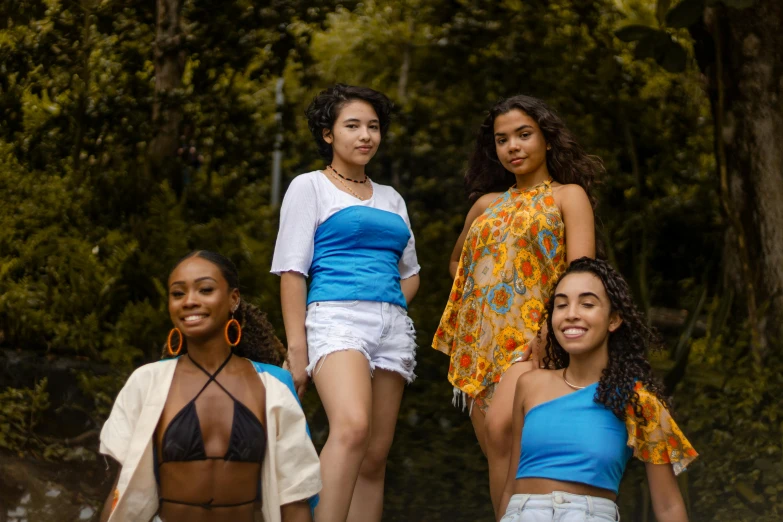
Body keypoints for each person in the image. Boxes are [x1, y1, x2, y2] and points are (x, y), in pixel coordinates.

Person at [432, 94, 601, 515]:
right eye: (502, 139)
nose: (513, 146)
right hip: (478, 346)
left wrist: (548, 330)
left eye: (524, 135)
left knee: (511, 439)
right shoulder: (486, 205)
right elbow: (457, 261)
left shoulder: (568, 196)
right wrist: (480, 295)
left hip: (533, 341)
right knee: (498, 454)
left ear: (546, 138)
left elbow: (581, 271)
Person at [271, 84, 420, 522]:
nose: (365, 136)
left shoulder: (392, 197)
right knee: (352, 428)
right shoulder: (309, 187)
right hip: (336, 318)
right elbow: (292, 271)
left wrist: (390, 302)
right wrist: (297, 349)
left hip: (392, 326)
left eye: (373, 127)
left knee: (374, 457)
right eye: (352, 125)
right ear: (327, 134)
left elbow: (410, 273)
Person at [98, 251, 321, 522]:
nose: (190, 301)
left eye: (205, 289)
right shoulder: (146, 384)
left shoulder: (272, 389)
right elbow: (122, 489)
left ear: (233, 299)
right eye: (178, 294)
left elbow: (294, 498)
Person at [498, 257, 698, 522]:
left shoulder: (638, 401)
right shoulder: (529, 384)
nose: (571, 313)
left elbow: (668, 506)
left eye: (587, 304)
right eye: (561, 305)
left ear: (614, 319)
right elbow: (512, 484)